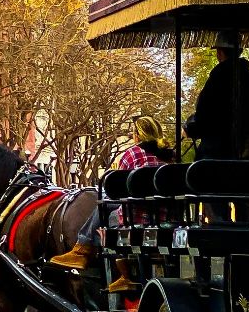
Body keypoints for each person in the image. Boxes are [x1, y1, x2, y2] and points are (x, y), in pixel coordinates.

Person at [52, 116, 170, 287]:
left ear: (137, 135)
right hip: (164, 216)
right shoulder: (168, 156)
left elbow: (116, 189)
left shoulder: (133, 153)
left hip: (135, 216)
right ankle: (84, 250)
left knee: (103, 208)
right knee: (106, 207)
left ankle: (84, 249)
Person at [186, 31, 249, 160]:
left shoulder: (217, 80)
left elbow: (204, 120)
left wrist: (190, 128)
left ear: (219, 52)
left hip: (218, 158)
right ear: (240, 51)